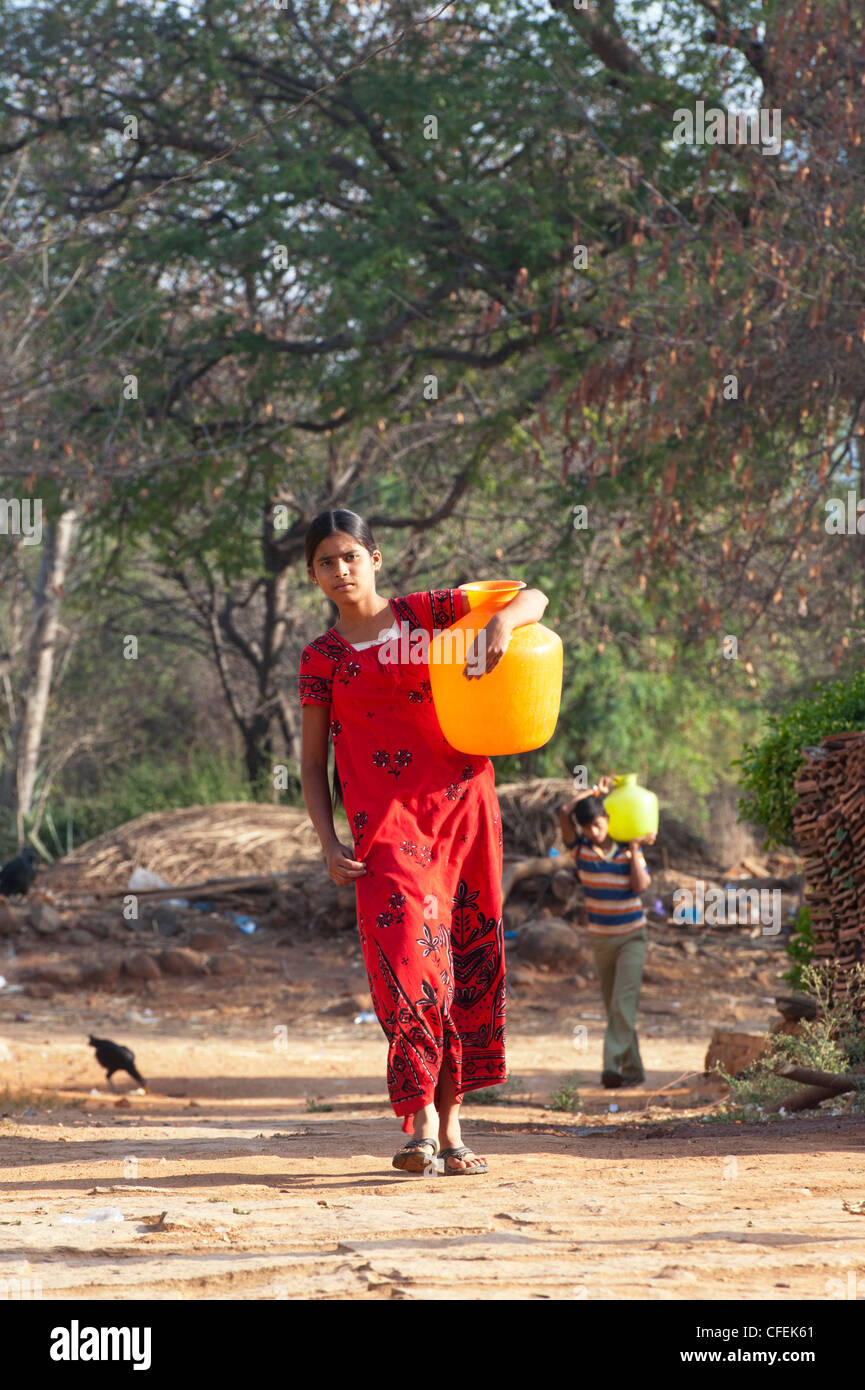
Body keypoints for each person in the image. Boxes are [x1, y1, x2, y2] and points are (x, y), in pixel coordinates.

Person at [299, 508, 549, 1175]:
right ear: (312, 574)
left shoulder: (423, 616)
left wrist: (500, 623)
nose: (340, 570)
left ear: (374, 559)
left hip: (462, 810)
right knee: (407, 970)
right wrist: (327, 842)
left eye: (350, 556)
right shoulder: (321, 657)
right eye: (326, 561)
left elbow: (534, 595)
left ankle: (451, 1128)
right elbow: (310, 765)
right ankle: (416, 1128)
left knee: (460, 963)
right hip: (383, 831)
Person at [559, 776, 656, 1090]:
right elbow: (563, 811)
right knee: (613, 1004)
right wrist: (593, 792)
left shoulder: (629, 851)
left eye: (597, 825)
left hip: (632, 936)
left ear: (608, 820)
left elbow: (641, 887)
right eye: (586, 827)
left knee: (623, 1002)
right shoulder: (580, 851)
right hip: (601, 939)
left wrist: (636, 848)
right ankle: (634, 1067)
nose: (592, 832)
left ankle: (610, 1066)